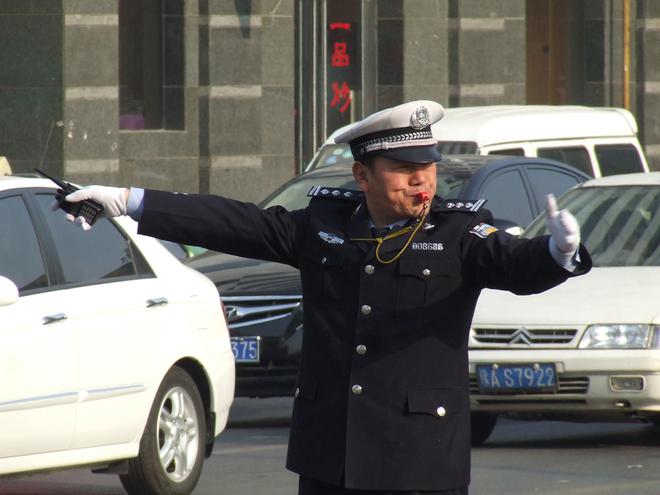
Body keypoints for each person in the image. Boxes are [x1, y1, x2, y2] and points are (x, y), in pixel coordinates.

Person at [60, 100, 591, 494]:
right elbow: (236, 222)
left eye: (427, 168)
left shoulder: (458, 233)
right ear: (363, 174)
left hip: (419, 460)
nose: (421, 182)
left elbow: (516, 266)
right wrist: (128, 201)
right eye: (405, 170)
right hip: (330, 457)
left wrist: (558, 252)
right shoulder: (323, 224)